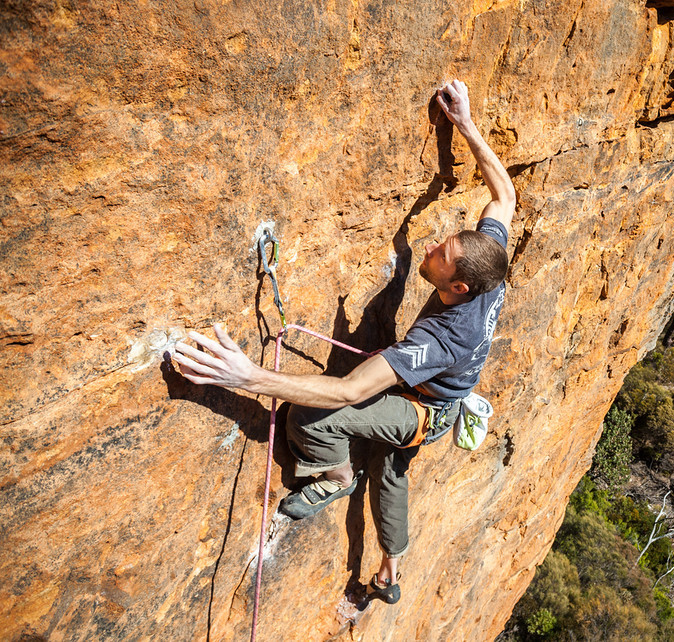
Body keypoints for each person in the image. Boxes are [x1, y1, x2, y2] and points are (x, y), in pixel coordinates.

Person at [172, 79, 515, 604]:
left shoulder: (443, 337)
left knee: (313, 418)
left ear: (457, 287)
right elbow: (504, 194)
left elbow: (350, 392)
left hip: (426, 405)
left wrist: (247, 377)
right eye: (442, 242)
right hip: (441, 393)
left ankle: (333, 474)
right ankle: (390, 571)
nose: (429, 248)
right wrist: (464, 124)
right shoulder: (486, 258)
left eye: (437, 256)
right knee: (392, 466)